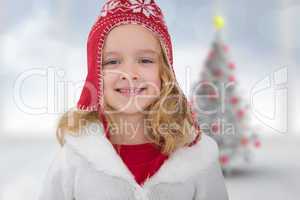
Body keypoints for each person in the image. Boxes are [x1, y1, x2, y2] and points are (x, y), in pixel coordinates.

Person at [38, 0, 229, 199]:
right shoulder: (73, 158)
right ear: (96, 73)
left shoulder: (198, 157)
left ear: (164, 71)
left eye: (145, 60)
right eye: (112, 61)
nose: (129, 73)